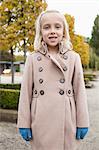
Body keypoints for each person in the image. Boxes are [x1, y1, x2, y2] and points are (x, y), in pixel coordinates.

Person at [17, 10, 89, 150]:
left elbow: (80, 91)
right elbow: (25, 93)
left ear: (64, 31)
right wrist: (24, 123)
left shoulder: (74, 57)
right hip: (40, 119)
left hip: (67, 119)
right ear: (40, 32)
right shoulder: (32, 58)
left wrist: (83, 121)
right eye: (46, 27)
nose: (52, 31)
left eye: (57, 27)